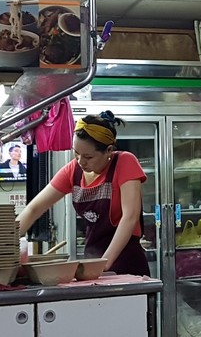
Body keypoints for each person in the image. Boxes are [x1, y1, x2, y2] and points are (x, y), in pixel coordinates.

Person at [17, 110, 148, 275]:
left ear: (108, 151)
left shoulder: (124, 162)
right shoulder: (73, 170)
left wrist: (104, 263)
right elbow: (33, 209)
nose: (80, 161)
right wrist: (7, 241)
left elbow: (130, 217)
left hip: (126, 262)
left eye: (88, 157)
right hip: (93, 259)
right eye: (76, 153)